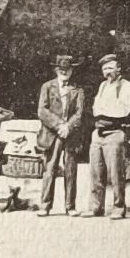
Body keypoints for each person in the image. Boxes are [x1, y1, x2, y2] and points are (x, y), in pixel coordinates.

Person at [35, 54, 86, 217]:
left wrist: (68, 127)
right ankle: (45, 205)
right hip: (52, 133)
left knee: (70, 169)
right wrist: (59, 125)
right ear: (56, 70)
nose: (64, 72)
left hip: (70, 134)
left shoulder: (78, 90)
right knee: (50, 168)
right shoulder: (47, 87)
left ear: (72, 71)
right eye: (61, 69)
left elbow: (80, 113)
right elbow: (42, 110)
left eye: (68, 69)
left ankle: (70, 206)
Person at [88, 53, 130, 220]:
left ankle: (118, 207)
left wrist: (104, 110)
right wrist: (104, 109)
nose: (107, 71)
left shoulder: (127, 86)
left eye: (110, 68)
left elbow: (123, 110)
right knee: (96, 172)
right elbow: (95, 108)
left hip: (115, 132)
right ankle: (96, 207)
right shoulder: (102, 86)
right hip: (98, 133)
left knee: (116, 173)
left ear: (119, 68)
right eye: (104, 68)